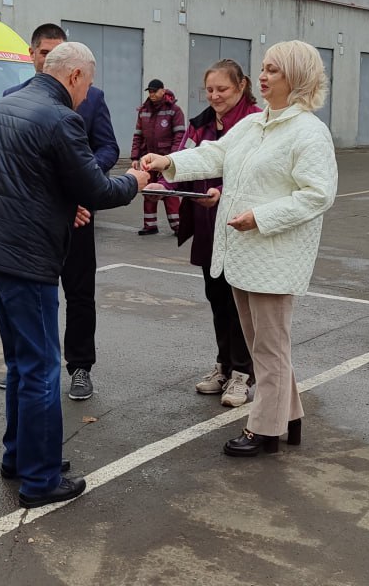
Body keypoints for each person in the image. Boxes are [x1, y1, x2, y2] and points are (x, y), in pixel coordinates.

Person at [0, 42, 150, 508]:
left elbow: (20, 179)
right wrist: (137, 182)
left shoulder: (4, 107)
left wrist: (62, 207)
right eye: (87, 85)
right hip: (26, 260)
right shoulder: (60, 118)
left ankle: (21, 457)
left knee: (20, 364)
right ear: (74, 76)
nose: (86, 95)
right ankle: (41, 480)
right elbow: (96, 187)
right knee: (43, 370)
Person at [142, 41, 337, 457]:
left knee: (268, 346)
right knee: (264, 345)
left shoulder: (308, 132)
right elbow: (215, 154)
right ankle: (292, 416)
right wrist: (169, 163)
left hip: (274, 257)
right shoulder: (254, 124)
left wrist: (260, 217)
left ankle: (265, 430)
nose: (263, 77)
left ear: (296, 78)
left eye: (273, 71)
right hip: (243, 255)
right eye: (263, 69)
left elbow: (317, 195)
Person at [0, 23, 118, 401]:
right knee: (28, 294)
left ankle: (80, 366)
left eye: (58, 52)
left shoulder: (92, 98)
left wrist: (83, 189)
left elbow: (108, 149)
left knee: (80, 292)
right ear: (32, 55)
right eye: (44, 52)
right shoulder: (12, 98)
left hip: (80, 215)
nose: (50, 59)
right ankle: (22, 364)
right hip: (34, 221)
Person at [158, 59, 260, 407]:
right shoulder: (200, 124)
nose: (215, 96)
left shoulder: (256, 123)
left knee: (240, 303)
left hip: (240, 226)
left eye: (223, 89)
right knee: (216, 297)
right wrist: (158, 179)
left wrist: (221, 191)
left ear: (242, 86)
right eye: (210, 90)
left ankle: (243, 373)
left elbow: (254, 172)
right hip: (207, 224)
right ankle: (225, 365)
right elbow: (184, 159)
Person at [131, 79, 185, 235]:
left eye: (155, 91)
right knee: (148, 191)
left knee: (168, 192)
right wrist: (135, 157)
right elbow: (138, 136)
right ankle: (150, 225)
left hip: (166, 159)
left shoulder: (174, 110)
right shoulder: (144, 110)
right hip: (148, 159)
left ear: (163, 91)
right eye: (150, 91)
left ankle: (177, 225)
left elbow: (179, 136)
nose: (152, 94)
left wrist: (172, 158)